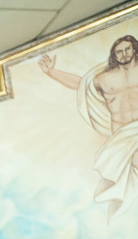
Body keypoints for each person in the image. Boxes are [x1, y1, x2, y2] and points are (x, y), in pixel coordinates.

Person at [39, 36, 138, 218]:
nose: (124, 54)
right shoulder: (104, 77)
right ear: (114, 55)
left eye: (127, 49)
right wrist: (51, 72)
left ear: (134, 49)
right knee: (116, 183)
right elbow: (80, 84)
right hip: (120, 136)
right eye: (119, 51)